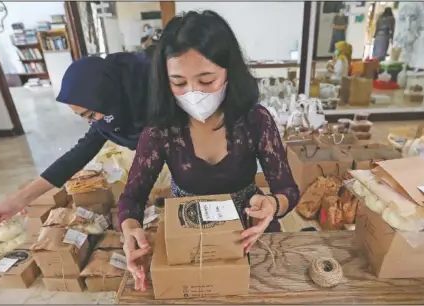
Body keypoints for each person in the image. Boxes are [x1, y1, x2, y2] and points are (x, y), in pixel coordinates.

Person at [119, 10, 300, 292]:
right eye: (178, 83)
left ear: (229, 71)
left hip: (248, 236)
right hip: (189, 239)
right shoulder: (161, 130)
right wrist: (130, 230)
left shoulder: (255, 120)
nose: (194, 93)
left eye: (206, 81)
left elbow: (288, 189)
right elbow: (132, 197)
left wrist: (273, 205)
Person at [0, 47, 155, 226]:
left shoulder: (156, 92)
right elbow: (78, 154)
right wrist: (16, 202)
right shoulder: (111, 107)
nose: (92, 122)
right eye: (84, 117)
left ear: (107, 96)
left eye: (91, 114)